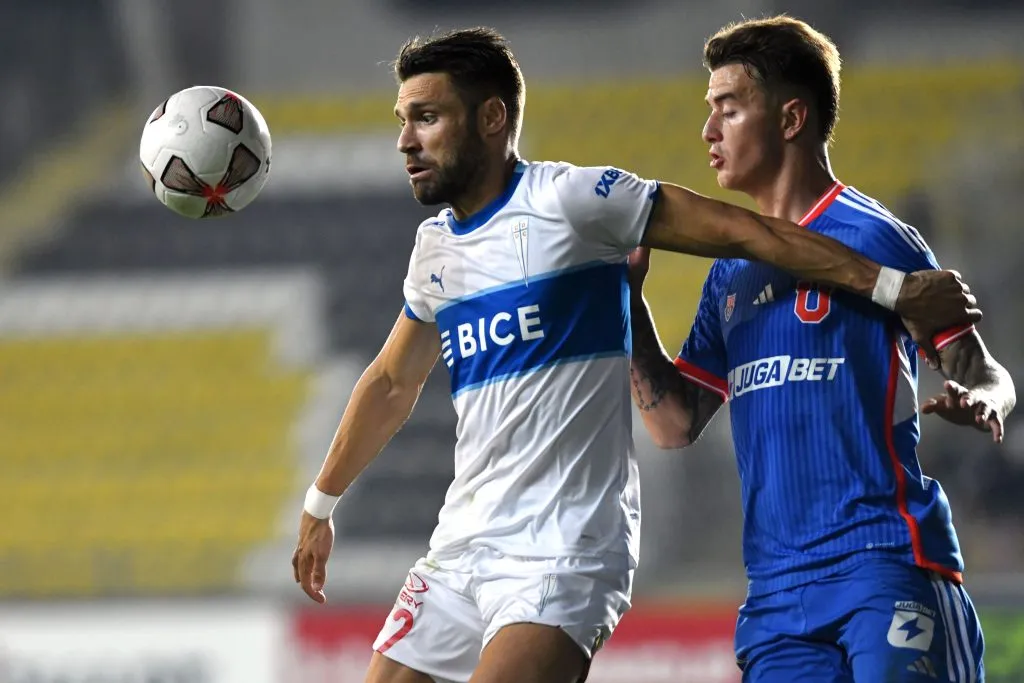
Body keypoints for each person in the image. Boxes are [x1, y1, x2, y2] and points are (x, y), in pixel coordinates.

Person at [290, 27, 981, 683]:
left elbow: (741, 232)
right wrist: (321, 502)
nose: (406, 140)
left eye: (427, 117)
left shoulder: (574, 201)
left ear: (492, 118)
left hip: (564, 550)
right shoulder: (435, 249)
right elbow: (388, 381)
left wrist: (892, 288)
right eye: (402, 119)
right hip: (461, 545)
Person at [627, 16, 1016, 683]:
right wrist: (629, 303)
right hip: (778, 598)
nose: (708, 132)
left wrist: (981, 395)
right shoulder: (728, 272)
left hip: (886, 563)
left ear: (790, 119)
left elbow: (982, 365)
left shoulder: (877, 240)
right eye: (707, 111)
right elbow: (673, 423)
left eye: (728, 108)